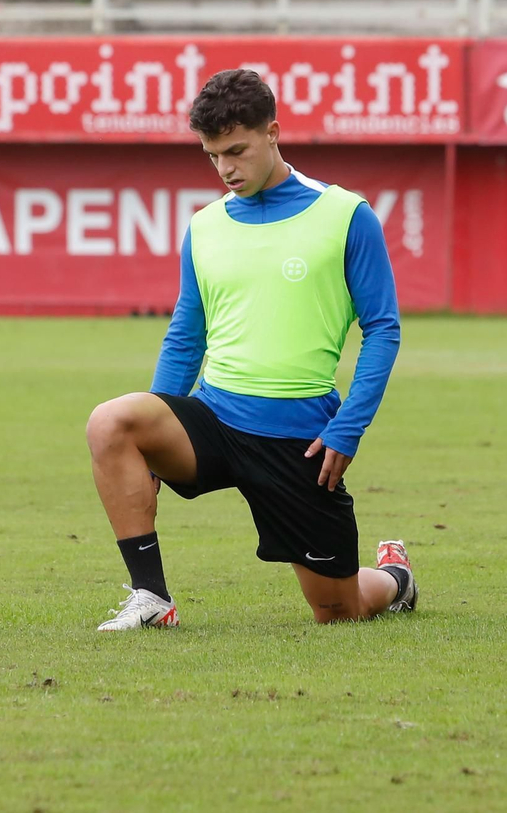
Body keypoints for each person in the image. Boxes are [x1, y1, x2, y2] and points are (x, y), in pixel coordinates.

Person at [84, 68, 415, 631]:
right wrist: (163, 416)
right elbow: (187, 334)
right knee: (112, 422)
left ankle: (396, 578)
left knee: (339, 614)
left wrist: (347, 428)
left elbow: (382, 329)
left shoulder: (345, 215)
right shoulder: (205, 226)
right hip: (215, 420)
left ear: (274, 133)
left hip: (300, 439)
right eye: (212, 155)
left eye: (236, 150)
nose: (226, 169)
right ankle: (151, 598)